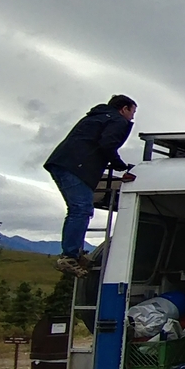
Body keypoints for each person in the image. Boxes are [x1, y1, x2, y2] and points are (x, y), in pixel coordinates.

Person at [44, 95, 137, 276]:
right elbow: (107, 144)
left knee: (78, 208)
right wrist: (120, 165)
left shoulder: (95, 116)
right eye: (132, 112)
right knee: (81, 208)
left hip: (63, 163)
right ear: (124, 109)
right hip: (76, 167)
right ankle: (69, 255)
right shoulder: (117, 120)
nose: (132, 117)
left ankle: (75, 253)